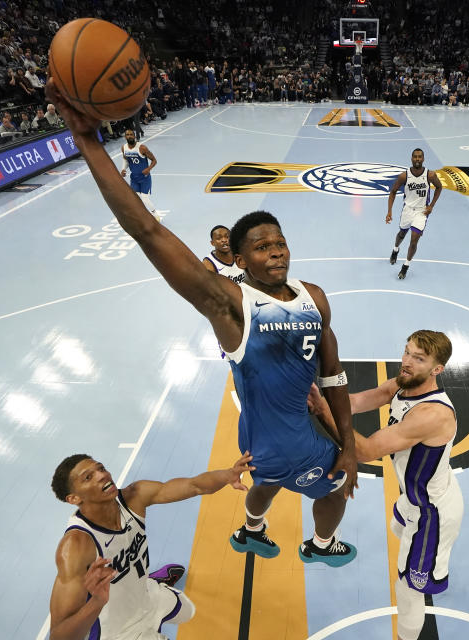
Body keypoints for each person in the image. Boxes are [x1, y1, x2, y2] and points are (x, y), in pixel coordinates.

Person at [46, 79, 359, 567]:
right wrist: (86, 140)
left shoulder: (313, 297)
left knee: (267, 480)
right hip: (290, 441)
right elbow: (146, 229)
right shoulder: (229, 304)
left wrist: (346, 438)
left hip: (260, 434)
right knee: (336, 489)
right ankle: (321, 545)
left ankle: (252, 528)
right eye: (261, 246)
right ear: (239, 258)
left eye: (279, 241)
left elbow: (333, 378)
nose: (276, 250)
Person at [307, 330, 462, 640]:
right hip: (414, 496)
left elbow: (363, 451)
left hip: (432, 513)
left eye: (418, 359)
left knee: (407, 589)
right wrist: (320, 397)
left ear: (437, 370)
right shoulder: (403, 384)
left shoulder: (431, 415)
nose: (406, 362)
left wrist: (322, 411)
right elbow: (355, 402)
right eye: (406, 352)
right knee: (397, 528)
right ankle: (431, 564)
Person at [48, 451, 254, 640]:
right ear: (74, 498)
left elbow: (194, 485)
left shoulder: (133, 496)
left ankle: (151, 579)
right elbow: (59, 636)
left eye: (100, 468)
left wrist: (228, 475)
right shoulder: (75, 548)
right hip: (119, 630)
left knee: (187, 610)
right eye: (88, 477)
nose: (102, 475)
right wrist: (96, 602)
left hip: (145, 595)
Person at [386, 148, 443, 280]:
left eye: (420, 157)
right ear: (411, 158)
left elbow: (439, 187)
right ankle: (395, 250)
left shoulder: (430, 175)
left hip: (421, 212)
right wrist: (389, 211)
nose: (417, 159)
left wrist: (431, 205)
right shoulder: (404, 176)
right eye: (415, 157)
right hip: (407, 210)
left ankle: (405, 266)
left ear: (423, 159)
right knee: (401, 234)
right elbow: (393, 192)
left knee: (414, 240)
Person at [120, 129, 162, 221]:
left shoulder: (142, 148)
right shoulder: (124, 148)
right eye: (127, 135)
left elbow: (154, 160)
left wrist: (148, 169)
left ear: (135, 136)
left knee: (145, 198)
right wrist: (123, 169)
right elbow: (126, 160)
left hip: (144, 178)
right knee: (136, 198)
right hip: (134, 178)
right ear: (125, 137)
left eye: (131, 134)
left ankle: (155, 215)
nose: (129, 136)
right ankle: (143, 216)